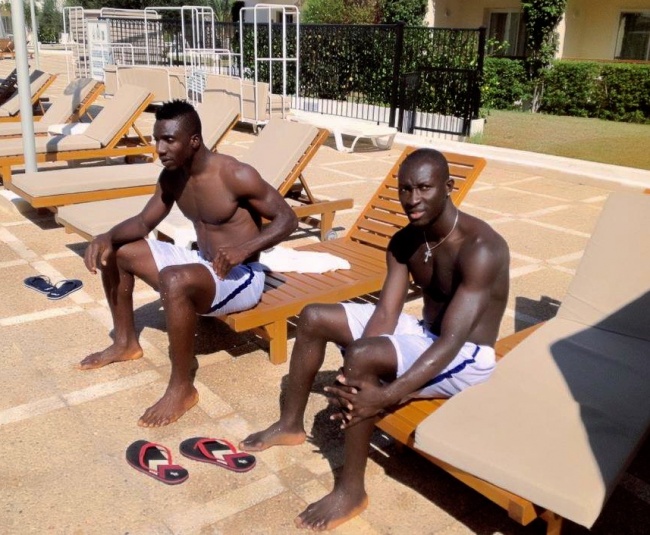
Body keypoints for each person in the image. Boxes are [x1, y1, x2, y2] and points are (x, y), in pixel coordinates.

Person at [240, 148, 510, 530]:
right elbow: (386, 314)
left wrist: (386, 394)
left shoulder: (481, 249)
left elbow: (450, 342)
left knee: (365, 358)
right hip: (426, 333)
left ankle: (351, 491)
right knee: (314, 317)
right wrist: (353, 368)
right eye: (405, 189)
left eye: (424, 188)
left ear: (448, 187)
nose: (412, 199)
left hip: (465, 355)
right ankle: (290, 424)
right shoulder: (405, 242)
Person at [80, 100, 298, 427]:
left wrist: (244, 249)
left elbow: (288, 219)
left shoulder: (235, 174)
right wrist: (106, 237)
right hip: (204, 261)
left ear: (194, 141)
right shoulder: (172, 177)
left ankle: (182, 388)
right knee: (118, 251)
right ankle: (125, 342)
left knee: (174, 279)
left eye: (169, 140)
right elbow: (143, 222)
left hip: (242, 274)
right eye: (157, 139)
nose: (160, 149)